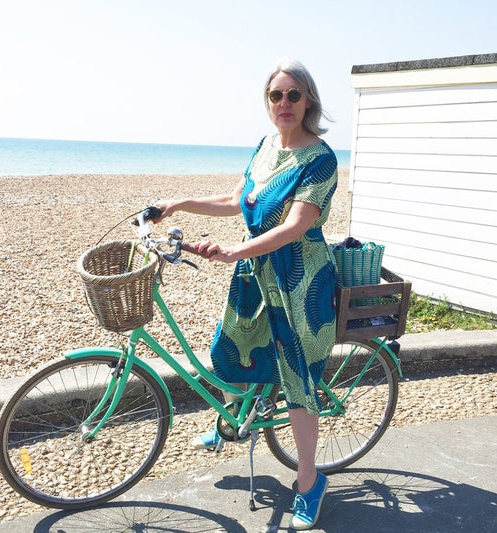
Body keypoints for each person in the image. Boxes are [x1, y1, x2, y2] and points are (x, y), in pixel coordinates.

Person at [154, 57, 338, 530]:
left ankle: (309, 481)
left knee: (296, 380)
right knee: (231, 347)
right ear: (267, 101)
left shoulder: (321, 160)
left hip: (299, 281)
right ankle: (233, 419)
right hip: (256, 272)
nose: (284, 103)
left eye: (294, 94)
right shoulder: (265, 146)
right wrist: (178, 203)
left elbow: (295, 227)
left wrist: (235, 250)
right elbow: (236, 200)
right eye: (276, 95)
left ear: (309, 101)